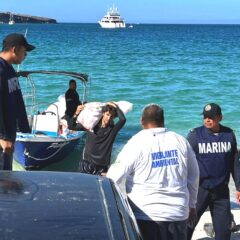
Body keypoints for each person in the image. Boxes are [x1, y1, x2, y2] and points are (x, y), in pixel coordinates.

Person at [107, 103, 199, 240]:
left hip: (144, 214)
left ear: (141, 121)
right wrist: (192, 205)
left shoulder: (136, 142)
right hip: (178, 213)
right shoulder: (180, 141)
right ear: (163, 121)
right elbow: (194, 175)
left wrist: (119, 209)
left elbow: (113, 177)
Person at [187, 103, 240, 240]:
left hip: (221, 191)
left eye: (211, 117)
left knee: (224, 233)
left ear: (220, 117)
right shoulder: (195, 136)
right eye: (205, 117)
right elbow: (184, 163)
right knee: (187, 227)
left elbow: (234, 164)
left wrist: (239, 187)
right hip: (200, 190)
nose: (207, 120)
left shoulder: (229, 135)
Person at [0, 33, 35, 170]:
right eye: (24, 51)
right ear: (14, 49)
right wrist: (1, 137)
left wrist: (24, 128)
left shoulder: (9, 70)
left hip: (9, 138)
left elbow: (15, 102)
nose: (25, 55)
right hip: (3, 141)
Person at [80, 102, 126, 175]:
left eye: (112, 116)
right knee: (84, 185)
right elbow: (73, 124)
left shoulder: (112, 130)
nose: (109, 118)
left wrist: (115, 105)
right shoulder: (92, 126)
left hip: (102, 166)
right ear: (103, 113)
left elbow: (122, 119)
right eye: (107, 114)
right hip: (87, 163)